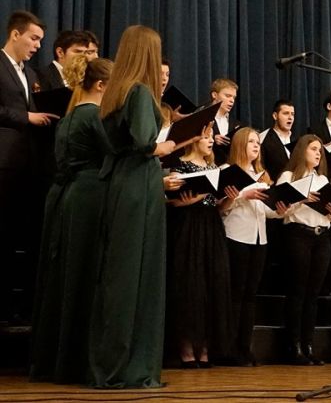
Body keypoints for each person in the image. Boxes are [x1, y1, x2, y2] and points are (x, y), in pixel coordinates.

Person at [89, 25, 185, 388]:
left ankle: (110, 362)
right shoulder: (142, 92)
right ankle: (133, 367)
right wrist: (168, 145)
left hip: (118, 184)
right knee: (140, 276)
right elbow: (147, 143)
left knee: (117, 277)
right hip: (140, 186)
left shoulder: (115, 91)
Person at [29, 57, 112, 383]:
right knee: (83, 276)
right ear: (102, 85)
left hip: (65, 198)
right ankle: (77, 360)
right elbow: (114, 156)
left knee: (63, 276)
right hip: (89, 199)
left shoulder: (68, 118)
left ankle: (55, 357)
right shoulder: (93, 117)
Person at [0, 10, 55, 325]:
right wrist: (27, 118)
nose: (37, 45)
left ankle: (16, 308)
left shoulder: (32, 75)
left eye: (40, 41)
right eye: (33, 38)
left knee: (23, 240)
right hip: (4, 165)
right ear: (15, 34)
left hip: (29, 168)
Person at [166, 128, 233, 369]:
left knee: (212, 282)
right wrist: (191, 198)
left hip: (211, 226)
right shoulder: (181, 165)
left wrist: (230, 198)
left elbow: (219, 207)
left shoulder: (214, 169)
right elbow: (170, 199)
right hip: (188, 226)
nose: (210, 141)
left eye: (211, 138)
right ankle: (185, 347)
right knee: (190, 283)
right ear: (194, 140)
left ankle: (204, 347)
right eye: (205, 137)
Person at [221, 128, 287, 366]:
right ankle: (229, 348)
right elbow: (221, 208)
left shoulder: (262, 174)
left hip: (259, 239)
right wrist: (241, 196)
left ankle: (245, 347)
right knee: (236, 295)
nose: (256, 146)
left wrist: (280, 210)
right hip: (236, 236)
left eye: (258, 142)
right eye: (251, 142)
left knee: (250, 295)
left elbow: (266, 210)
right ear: (240, 145)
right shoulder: (228, 172)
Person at [277, 134, 331, 365]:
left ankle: (309, 344)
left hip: (321, 236)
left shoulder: (323, 180)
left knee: (313, 295)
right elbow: (279, 208)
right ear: (302, 150)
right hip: (298, 234)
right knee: (298, 292)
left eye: (320, 151)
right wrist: (301, 200)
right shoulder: (289, 176)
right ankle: (293, 346)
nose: (317, 153)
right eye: (313, 149)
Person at [261, 99, 296, 181]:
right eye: (286, 113)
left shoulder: (296, 140)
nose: (290, 117)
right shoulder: (264, 139)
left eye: (292, 114)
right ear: (275, 116)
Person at [210, 78, 240, 165]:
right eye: (227, 96)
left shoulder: (236, 123)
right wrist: (212, 139)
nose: (232, 100)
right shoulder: (201, 116)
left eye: (234, 97)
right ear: (214, 95)